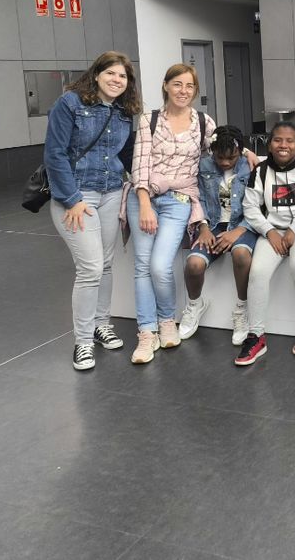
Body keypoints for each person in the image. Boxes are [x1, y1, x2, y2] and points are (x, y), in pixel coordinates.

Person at [44, 51, 141, 371]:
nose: (117, 80)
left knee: (106, 264)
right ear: (96, 75)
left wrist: (147, 184)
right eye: (111, 73)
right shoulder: (69, 104)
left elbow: (128, 156)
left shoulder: (125, 112)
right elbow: (55, 154)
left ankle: (102, 324)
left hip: (112, 191)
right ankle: (83, 341)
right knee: (90, 268)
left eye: (123, 76)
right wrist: (72, 199)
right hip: (77, 196)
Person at [125, 64, 215, 364]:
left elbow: (217, 152)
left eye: (189, 86)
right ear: (165, 86)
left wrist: (247, 153)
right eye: (177, 84)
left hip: (179, 200)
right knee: (142, 266)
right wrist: (145, 203)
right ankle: (146, 332)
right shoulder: (149, 121)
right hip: (145, 198)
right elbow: (139, 165)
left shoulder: (203, 122)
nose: (183, 91)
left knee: (160, 266)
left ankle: (167, 321)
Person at [238, 121, 295, 364]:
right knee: (259, 271)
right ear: (269, 144)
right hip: (273, 231)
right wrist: (269, 230)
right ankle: (256, 335)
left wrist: (294, 229)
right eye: (277, 140)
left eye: (289, 141)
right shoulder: (261, 171)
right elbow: (250, 207)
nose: (283, 145)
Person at [180, 125, 260, 345]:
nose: (225, 162)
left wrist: (237, 231)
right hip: (212, 225)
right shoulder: (203, 165)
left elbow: (258, 205)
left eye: (231, 157)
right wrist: (203, 227)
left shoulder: (250, 166)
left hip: (243, 225)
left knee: (241, 255)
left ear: (240, 152)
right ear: (212, 151)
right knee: (194, 264)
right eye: (220, 157)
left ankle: (242, 310)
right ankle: (194, 305)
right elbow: (198, 199)